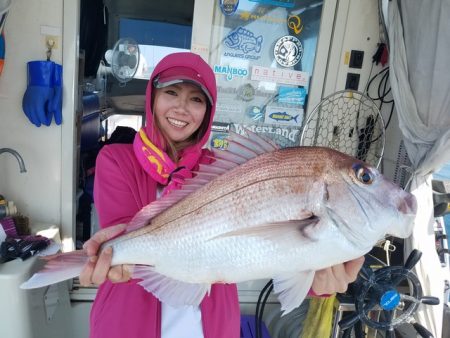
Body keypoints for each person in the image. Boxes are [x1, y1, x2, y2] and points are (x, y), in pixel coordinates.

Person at [80, 52, 365, 338]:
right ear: (152, 96)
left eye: (196, 99)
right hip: (126, 323)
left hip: (211, 327)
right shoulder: (116, 159)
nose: (181, 108)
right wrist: (115, 260)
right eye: (171, 92)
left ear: (208, 111)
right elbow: (128, 239)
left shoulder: (219, 169)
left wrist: (315, 273)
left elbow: (255, 248)